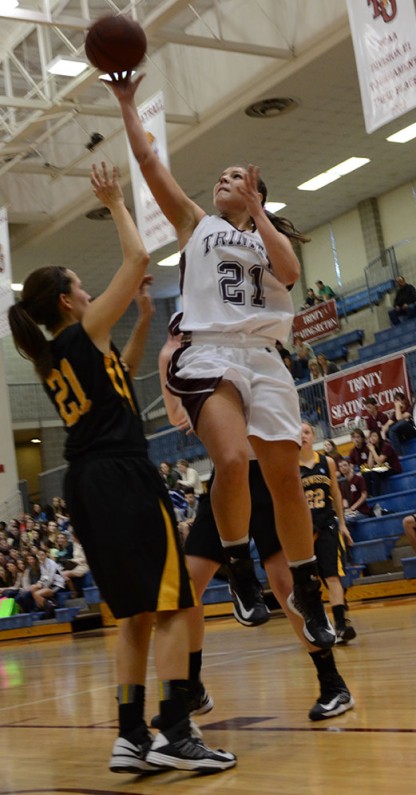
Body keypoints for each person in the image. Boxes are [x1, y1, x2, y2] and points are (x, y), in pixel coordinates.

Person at [8, 163, 235, 774]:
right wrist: (113, 202)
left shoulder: (58, 354)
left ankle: (131, 735)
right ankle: (177, 732)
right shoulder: (82, 330)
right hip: (120, 477)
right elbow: (137, 258)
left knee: (135, 611)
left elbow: (122, 374)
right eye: (81, 288)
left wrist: (138, 317)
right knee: (172, 605)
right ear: (66, 301)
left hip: (88, 484)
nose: (87, 293)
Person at [111, 72, 335, 652]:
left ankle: (308, 588)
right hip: (209, 350)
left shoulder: (267, 236)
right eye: (221, 175)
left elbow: (288, 274)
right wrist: (127, 102)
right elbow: (148, 162)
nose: (223, 179)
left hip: (265, 356)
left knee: (285, 479)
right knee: (232, 458)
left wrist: (261, 212)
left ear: (255, 191)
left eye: (235, 176)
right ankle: (238, 568)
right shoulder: (195, 224)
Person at [158, 345, 354, 721]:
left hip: (265, 474)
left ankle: (333, 685)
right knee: (187, 586)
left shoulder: (250, 334)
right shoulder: (190, 346)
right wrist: (170, 352)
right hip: (227, 478)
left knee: (284, 584)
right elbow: (176, 414)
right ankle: (193, 687)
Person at [299, 421, 356, 644]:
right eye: (298, 433)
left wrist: (342, 524)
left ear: (313, 435)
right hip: (303, 530)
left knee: (332, 575)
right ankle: (316, 624)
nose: (302, 436)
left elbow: (335, 494)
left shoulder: (328, 462)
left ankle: (341, 625)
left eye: (306, 432)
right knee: (309, 582)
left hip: (327, 525)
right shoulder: (290, 466)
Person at [365, 430, 402, 496]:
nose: (372, 438)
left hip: (393, 468)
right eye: (371, 436)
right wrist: (371, 451)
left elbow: (379, 462)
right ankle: (369, 495)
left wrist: (373, 450)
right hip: (384, 468)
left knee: (374, 472)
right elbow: (370, 466)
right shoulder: (374, 448)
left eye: (374, 436)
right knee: (366, 472)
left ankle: (377, 495)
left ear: (379, 437)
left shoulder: (386, 446)